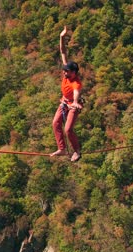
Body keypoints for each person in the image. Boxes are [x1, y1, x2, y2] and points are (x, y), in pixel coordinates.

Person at [50, 26, 83, 162]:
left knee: (68, 130)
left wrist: (75, 102)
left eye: (67, 72)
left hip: (73, 106)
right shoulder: (67, 75)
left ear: (74, 73)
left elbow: (76, 92)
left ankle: (77, 151)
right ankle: (62, 149)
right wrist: (62, 37)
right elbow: (63, 52)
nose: (64, 73)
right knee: (55, 123)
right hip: (64, 103)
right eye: (64, 71)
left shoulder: (76, 82)